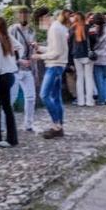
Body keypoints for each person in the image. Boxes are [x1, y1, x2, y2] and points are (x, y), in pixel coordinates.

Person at [34, 8, 69, 139]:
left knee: (44, 95)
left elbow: (56, 53)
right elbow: (54, 48)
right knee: (56, 97)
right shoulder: (58, 27)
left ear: (43, 18)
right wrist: (40, 48)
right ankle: (59, 126)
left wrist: (39, 57)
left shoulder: (54, 29)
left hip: (54, 66)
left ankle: (56, 125)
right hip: (59, 66)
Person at [0, 17, 20, 147]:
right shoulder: (8, 38)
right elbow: (20, 46)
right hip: (10, 74)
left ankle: (10, 139)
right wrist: (14, 58)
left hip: (2, 77)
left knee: (3, 107)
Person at [8, 6, 38, 132]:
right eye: (21, 14)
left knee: (31, 97)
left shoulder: (31, 31)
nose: (24, 17)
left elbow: (33, 50)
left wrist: (35, 46)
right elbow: (9, 48)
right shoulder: (13, 30)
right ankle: (5, 125)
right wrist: (19, 60)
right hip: (16, 67)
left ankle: (28, 124)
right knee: (11, 97)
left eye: (26, 14)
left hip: (28, 68)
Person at [69, 12, 96, 107]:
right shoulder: (89, 27)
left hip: (76, 55)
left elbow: (69, 44)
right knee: (89, 77)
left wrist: (70, 60)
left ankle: (80, 101)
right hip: (88, 55)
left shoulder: (72, 28)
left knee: (79, 78)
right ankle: (89, 100)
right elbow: (94, 39)